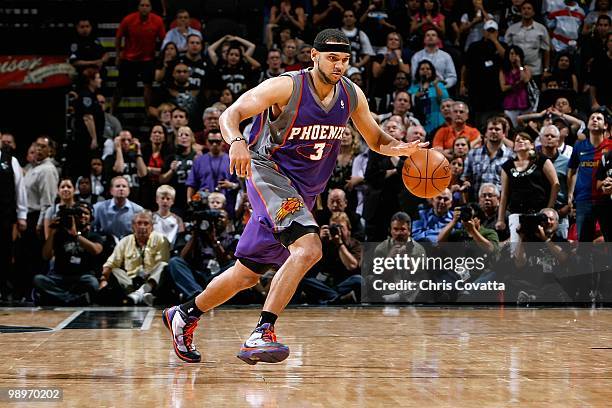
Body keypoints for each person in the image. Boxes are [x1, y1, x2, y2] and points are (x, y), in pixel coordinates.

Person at [162, 29, 428, 365]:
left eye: (344, 60)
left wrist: (400, 148)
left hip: (303, 191)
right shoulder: (286, 86)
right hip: (268, 175)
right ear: (314, 56)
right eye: (332, 58)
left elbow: (375, 138)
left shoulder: (350, 93)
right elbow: (230, 115)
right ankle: (263, 331)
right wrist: (237, 143)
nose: (339, 66)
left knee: (247, 274)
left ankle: (183, 315)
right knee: (309, 247)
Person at [34, 202, 102, 306]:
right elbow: (46, 256)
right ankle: (71, 299)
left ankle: (58, 298)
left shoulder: (94, 236)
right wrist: (52, 232)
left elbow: (96, 250)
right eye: (79, 213)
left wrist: (76, 235)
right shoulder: (60, 234)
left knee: (93, 283)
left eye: (86, 213)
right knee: (38, 279)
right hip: (59, 277)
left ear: (91, 218)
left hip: (81, 277)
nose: (83, 216)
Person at [497, 132, 560, 243]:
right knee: (517, 249)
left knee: (539, 246)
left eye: (524, 139)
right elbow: (504, 194)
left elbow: (555, 184)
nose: (520, 141)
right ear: (514, 147)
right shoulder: (507, 166)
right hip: (516, 213)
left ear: (532, 145)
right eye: (517, 140)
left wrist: (549, 208)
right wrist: (500, 219)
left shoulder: (542, 160)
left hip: (539, 212)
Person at [99, 211, 169, 305]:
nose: (142, 227)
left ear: (151, 226)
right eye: (139, 223)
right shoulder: (125, 241)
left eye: (146, 223)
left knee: (163, 265)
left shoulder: (161, 239)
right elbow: (110, 263)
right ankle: (140, 297)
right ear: (133, 226)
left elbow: (163, 262)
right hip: (131, 283)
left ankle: (141, 293)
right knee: (115, 270)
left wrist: (148, 279)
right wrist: (103, 280)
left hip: (152, 282)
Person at [112, 0, 166, 115]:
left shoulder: (158, 21)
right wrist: (117, 56)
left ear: (151, 8)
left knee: (148, 86)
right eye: (142, 5)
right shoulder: (128, 19)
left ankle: (148, 112)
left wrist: (162, 59)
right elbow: (118, 37)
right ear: (138, 7)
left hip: (148, 60)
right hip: (129, 59)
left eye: (147, 5)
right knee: (120, 86)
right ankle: (112, 110)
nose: (144, 8)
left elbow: (164, 41)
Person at [568, 111, 612, 241]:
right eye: (592, 118)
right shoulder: (579, 146)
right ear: (587, 124)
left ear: (605, 126)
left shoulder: (611, 146)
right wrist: (570, 194)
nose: (595, 120)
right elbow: (572, 170)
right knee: (584, 244)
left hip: (606, 200)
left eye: (599, 118)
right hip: (584, 200)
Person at [0, 139, 27, 301]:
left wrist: (22, 215)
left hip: (4, 215)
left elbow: (20, 188)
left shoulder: (10, 160)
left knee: (3, 253)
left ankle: (3, 288)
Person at [504, 0, 551, 82]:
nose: (526, 11)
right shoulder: (512, 29)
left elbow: (546, 50)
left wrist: (546, 69)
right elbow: (506, 50)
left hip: (535, 70)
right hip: (516, 70)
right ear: (520, 12)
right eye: (524, 9)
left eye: (529, 9)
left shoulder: (541, 29)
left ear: (533, 12)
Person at [153, 184, 184, 249]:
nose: (165, 201)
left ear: (173, 201)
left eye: (168, 199)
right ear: (157, 199)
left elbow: (181, 237)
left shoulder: (178, 219)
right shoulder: (151, 217)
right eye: (162, 198)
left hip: (171, 252)